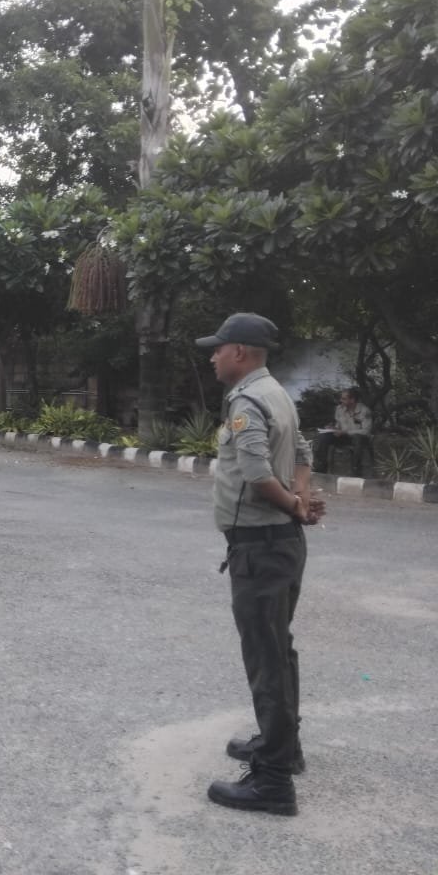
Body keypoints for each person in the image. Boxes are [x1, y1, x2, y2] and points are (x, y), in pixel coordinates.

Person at [196, 312, 324, 817]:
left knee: (267, 658)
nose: (213, 356)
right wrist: (302, 500)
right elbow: (304, 452)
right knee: (278, 649)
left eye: (218, 348)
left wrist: (295, 505)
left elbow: (254, 474)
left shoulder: (247, 400)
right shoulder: (277, 394)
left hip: (261, 547)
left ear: (240, 353)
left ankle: (272, 781)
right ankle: (283, 748)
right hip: (280, 544)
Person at [313, 388, 373, 477]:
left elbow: (366, 431)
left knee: (357, 438)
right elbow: (338, 425)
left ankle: (356, 471)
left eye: (344, 399)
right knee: (323, 437)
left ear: (352, 400)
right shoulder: (339, 409)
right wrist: (333, 428)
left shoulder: (364, 410)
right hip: (343, 437)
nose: (341, 400)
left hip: (360, 439)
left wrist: (346, 432)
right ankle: (320, 469)